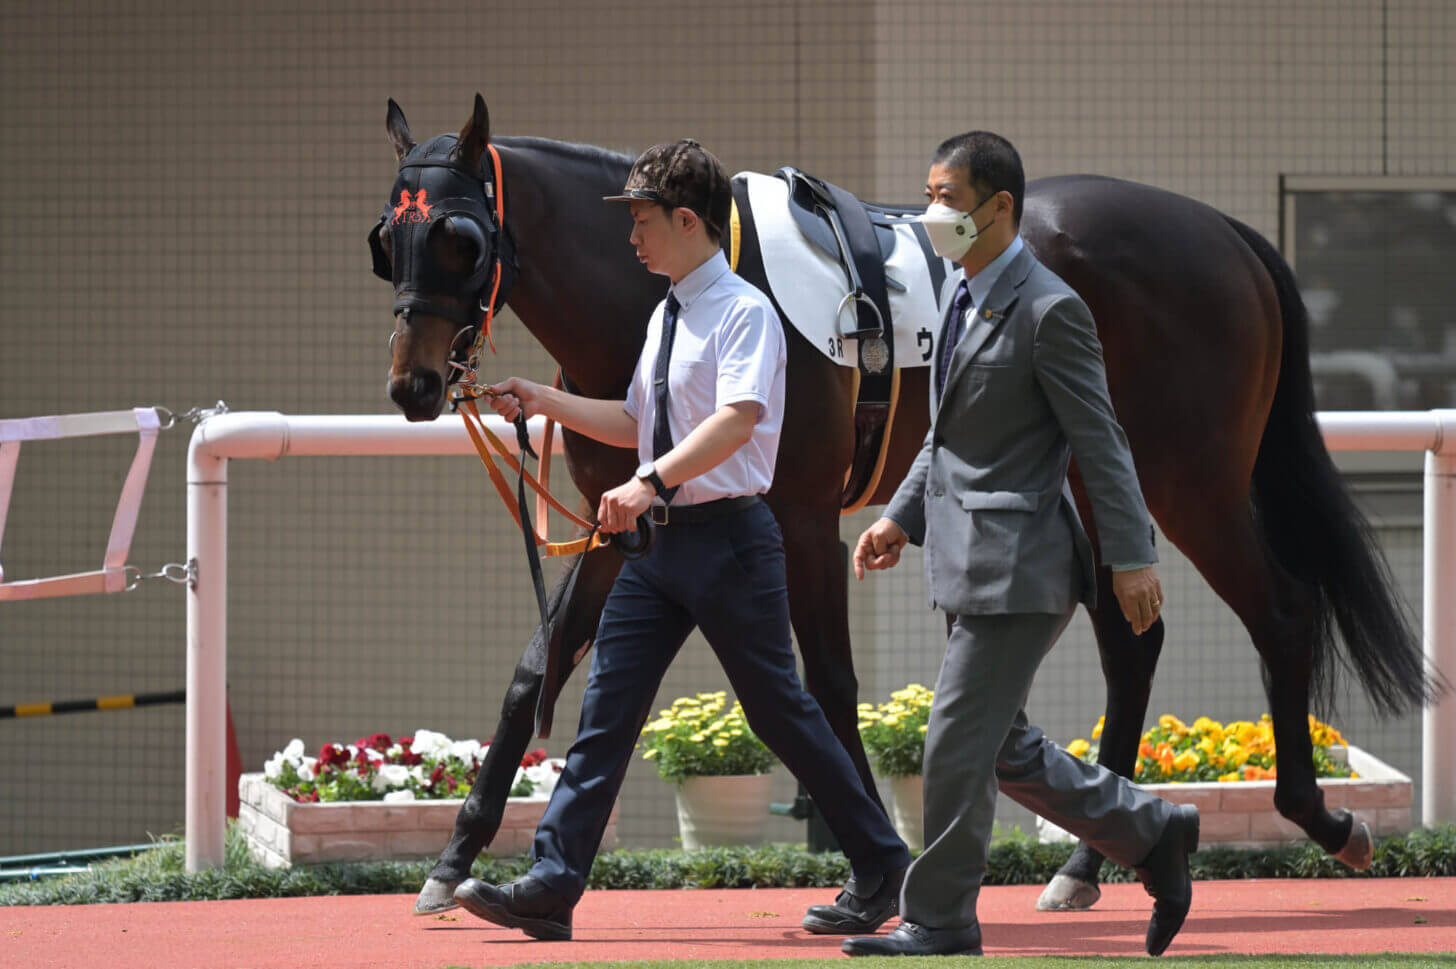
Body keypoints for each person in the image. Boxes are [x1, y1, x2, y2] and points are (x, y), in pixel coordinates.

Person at [452, 138, 911, 941]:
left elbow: (738, 421)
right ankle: (554, 883)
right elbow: (636, 421)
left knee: (781, 714)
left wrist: (652, 481)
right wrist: (541, 398)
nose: (631, 238)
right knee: (606, 713)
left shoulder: (745, 312)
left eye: (642, 221)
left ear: (688, 221)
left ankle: (882, 862)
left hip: (731, 542)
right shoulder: (666, 313)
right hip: (657, 551)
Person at [842, 131, 1198, 958]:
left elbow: (1100, 438)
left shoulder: (1051, 307)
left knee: (955, 739)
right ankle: (1154, 831)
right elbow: (947, 434)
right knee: (1005, 749)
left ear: (1001, 208)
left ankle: (939, 919)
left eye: (950, 200)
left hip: (1021, 564)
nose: (934, 215)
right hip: (964, 559)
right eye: (928, 195)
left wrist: (1133, 554)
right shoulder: (963, 294)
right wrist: (900, 515)